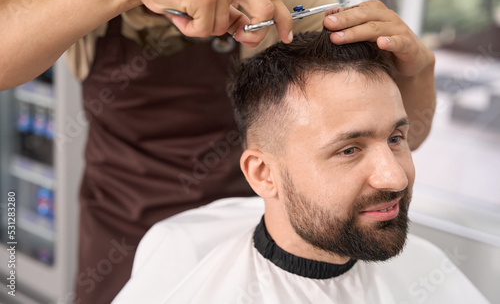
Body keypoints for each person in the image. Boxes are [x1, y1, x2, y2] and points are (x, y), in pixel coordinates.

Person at [0, 0, 435, 302]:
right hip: (119, 226)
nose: (391, 178)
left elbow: (396, 138)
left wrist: (418, 71)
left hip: (256, 230)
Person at [114, 32, 488, 304]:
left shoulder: (428, 270)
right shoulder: (185, 264)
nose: (396, 177)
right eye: (349, 150)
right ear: (263, 174)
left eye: (395, 138)